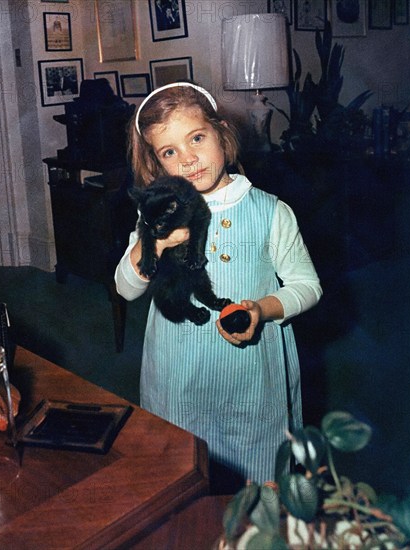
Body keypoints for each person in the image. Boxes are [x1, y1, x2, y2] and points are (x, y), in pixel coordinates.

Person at [114, 82, 322, 487]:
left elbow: (307, 285)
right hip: (177, 374)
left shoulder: (270, 211)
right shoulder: (158, 214)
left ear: (221, 133)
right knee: (182, 476)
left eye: (196, 138)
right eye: (169, 152)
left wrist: (263, 309)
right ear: (157, 165)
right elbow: (126, 289)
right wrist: (150, 244)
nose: (189, 159)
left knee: (256, 479)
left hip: (251, 380)